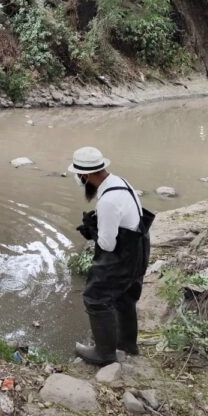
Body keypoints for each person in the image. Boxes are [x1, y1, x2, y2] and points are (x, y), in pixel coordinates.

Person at [68, 146, 153, 365]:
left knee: (95, 299)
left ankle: (104, 354)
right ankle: (127, 345)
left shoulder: (107, 201)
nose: (79, 180)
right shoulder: (121, 183)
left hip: (121, 258)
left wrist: (93, 231)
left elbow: (107, 244)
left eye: (79, 176)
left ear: (86, 175)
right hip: (139, 250)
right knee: (125, 298)